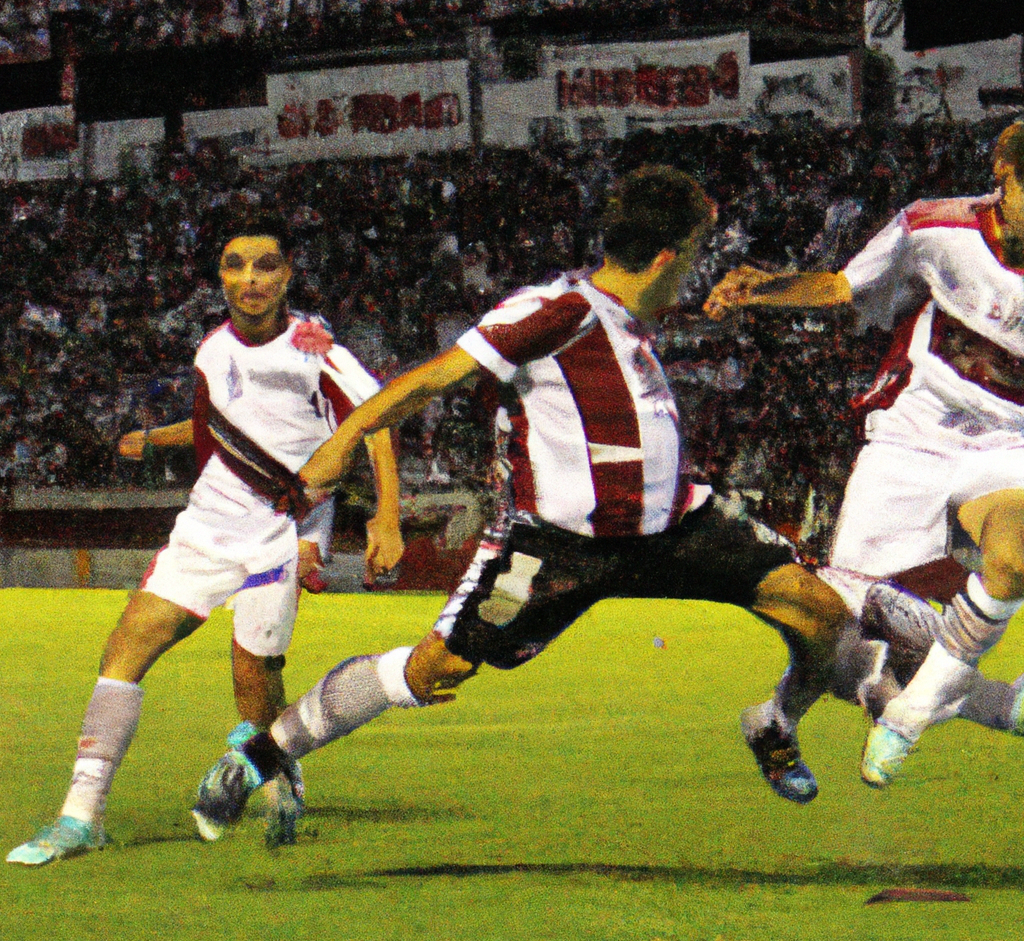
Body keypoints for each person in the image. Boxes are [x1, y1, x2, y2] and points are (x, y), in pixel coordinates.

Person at [188, 164, 859, 839]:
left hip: (676, 527)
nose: (694, 271)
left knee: (822, 614)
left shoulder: (628, 310)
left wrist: (756, 290)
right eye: (690, 255)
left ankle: (774, 723)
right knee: (433, 669)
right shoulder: (556, 312)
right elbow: (436, 377)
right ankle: (257, 758)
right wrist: (345, 441)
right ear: (663, 257)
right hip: (552, 552)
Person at [7, 221, 404, 866]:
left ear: (287, 274)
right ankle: (80, 816)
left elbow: (377, 421)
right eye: (236, 265)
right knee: (126, 647)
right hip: (205, 527)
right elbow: (209, 427)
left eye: (266, 266)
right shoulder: (211, 351)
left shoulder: (317, 347)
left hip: (278, 531)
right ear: (221, 275)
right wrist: (152, 439)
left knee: (254, 674)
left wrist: (386, 516)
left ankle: (276, 779)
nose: (251, 279)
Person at [703, 119, 1024, 788]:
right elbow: (842, 287)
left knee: (1014, 559)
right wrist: (763, 287)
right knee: (843, 634)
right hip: (910, 441)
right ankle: (776, 718)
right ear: (1003, 172)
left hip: (1008, 447)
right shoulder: (935, 229)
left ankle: (922, 711)